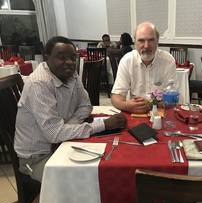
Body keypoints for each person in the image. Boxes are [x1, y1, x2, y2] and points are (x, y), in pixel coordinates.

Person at [14, 36, 127, 182]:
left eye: (73, 58)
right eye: (61, 58)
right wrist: (103, 124)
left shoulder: (71, 74)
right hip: (37, 158)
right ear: (46, 58)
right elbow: (54, 134)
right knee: (85, 179)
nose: (69, 62)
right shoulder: (39, 84)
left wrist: (68, 127)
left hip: (61, 144)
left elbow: (86, 105)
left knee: (106, 161)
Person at [111, 22, 176, 113]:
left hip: (160, 114)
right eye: (141, 40)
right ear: (135, 42)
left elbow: (172, 100)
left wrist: (151, 104)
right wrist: (126, 105)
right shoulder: (127, 60)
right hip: (134, 112)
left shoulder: (168, 61)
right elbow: (116, 97)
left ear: (157, 41)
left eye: (151, 40)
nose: (146, 45)